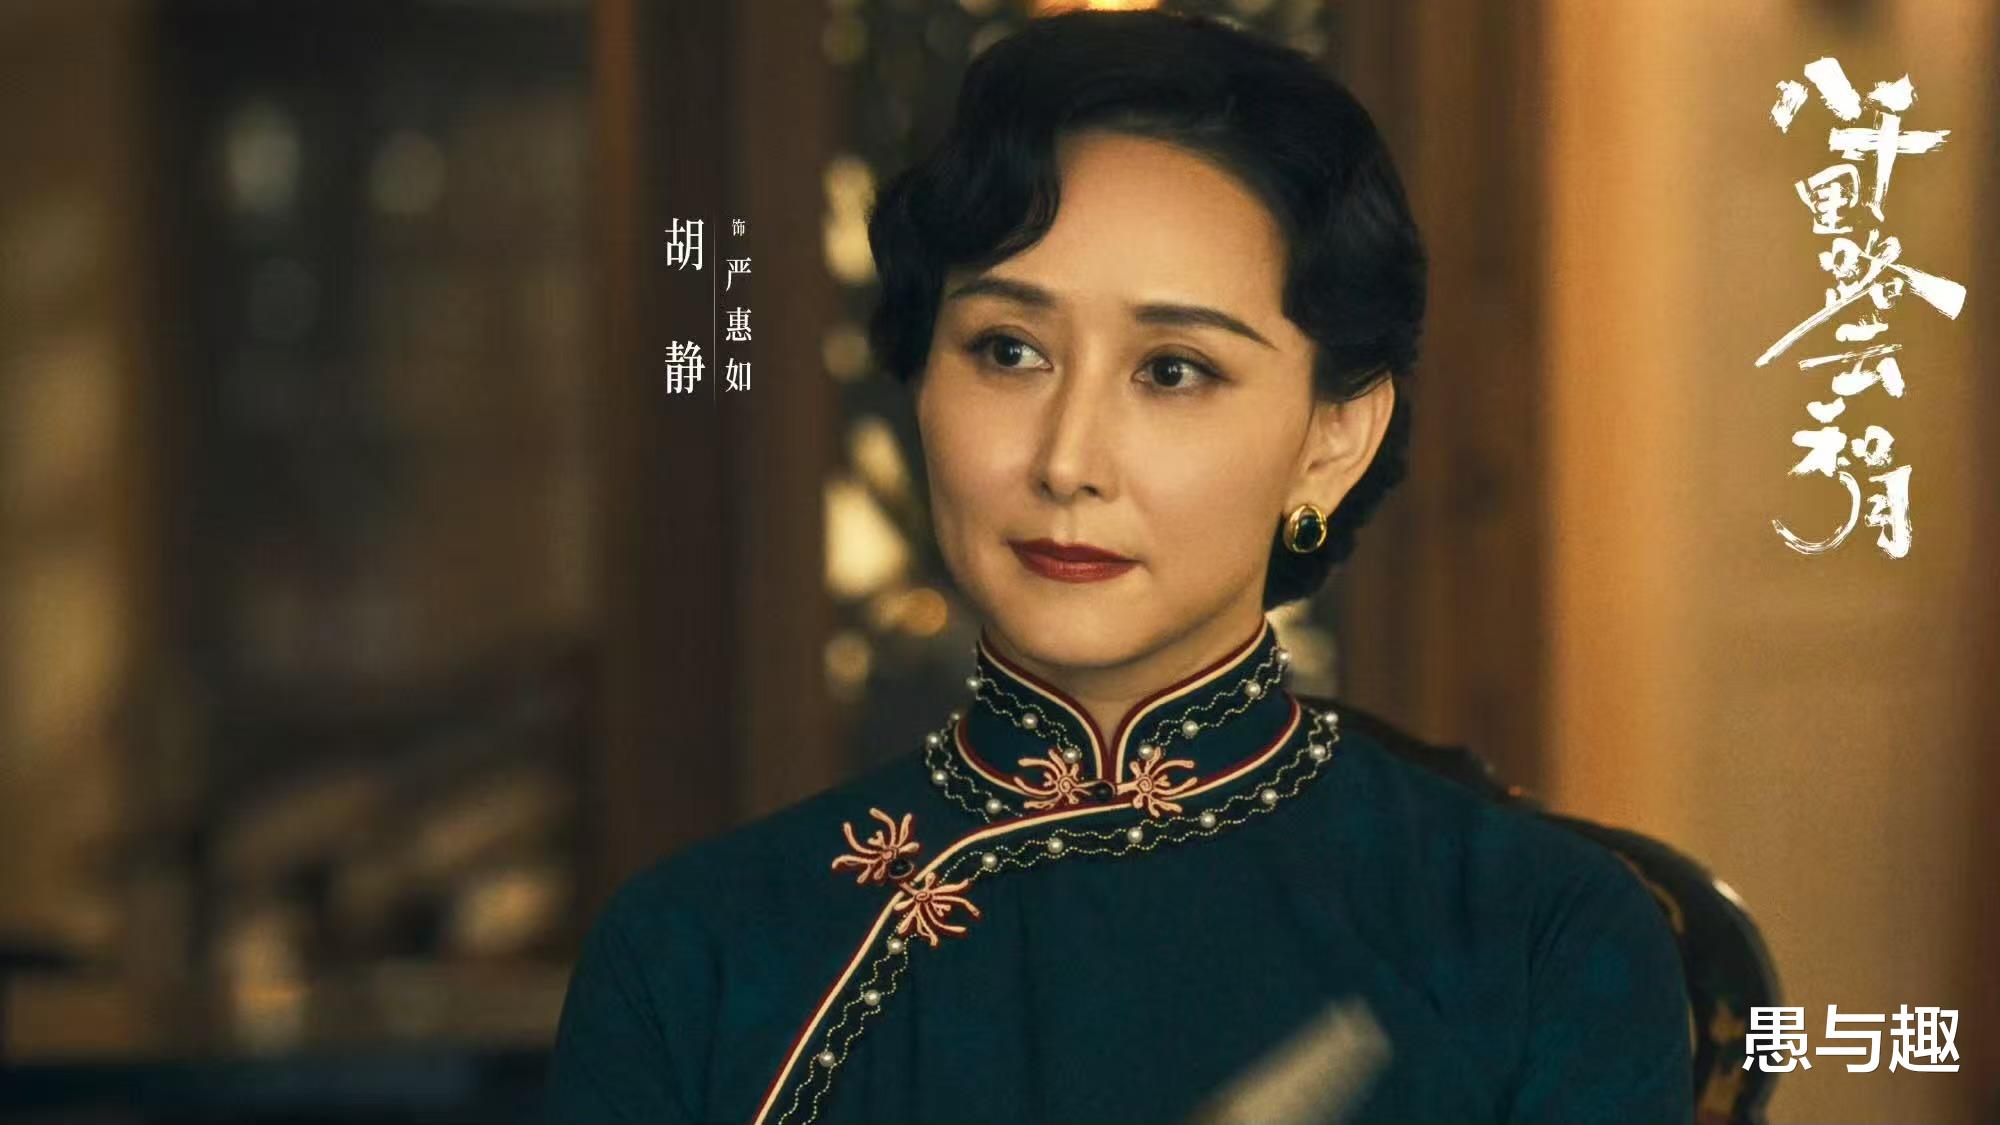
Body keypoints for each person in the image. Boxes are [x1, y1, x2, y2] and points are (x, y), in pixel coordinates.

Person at [545, 9, 1692, 1123]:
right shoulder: (693, 958)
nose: (1066, 461)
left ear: (1330, 439)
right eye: (1008, 350)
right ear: (920, 378)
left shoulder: (1536, 939)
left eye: (1172, 370)